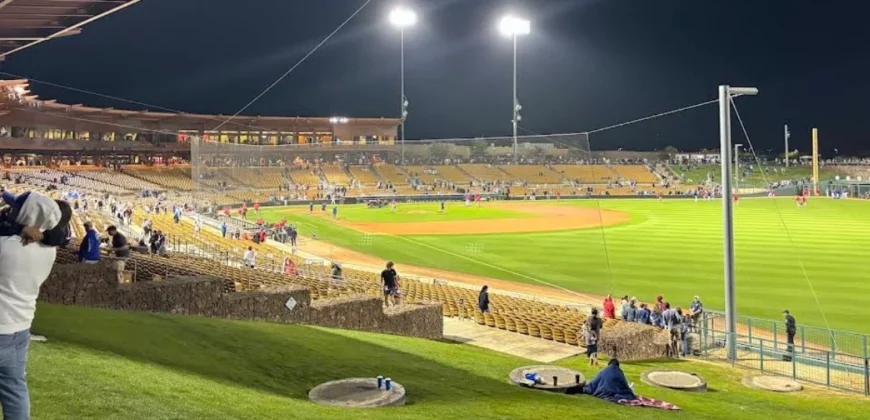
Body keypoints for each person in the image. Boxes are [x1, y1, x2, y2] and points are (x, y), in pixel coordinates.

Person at [0, 191, 72, 420]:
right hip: (20, 328)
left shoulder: (5, 245)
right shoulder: (49, 251)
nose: (9, 212)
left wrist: (15, 229)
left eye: (14, 209)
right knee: (15, 390)